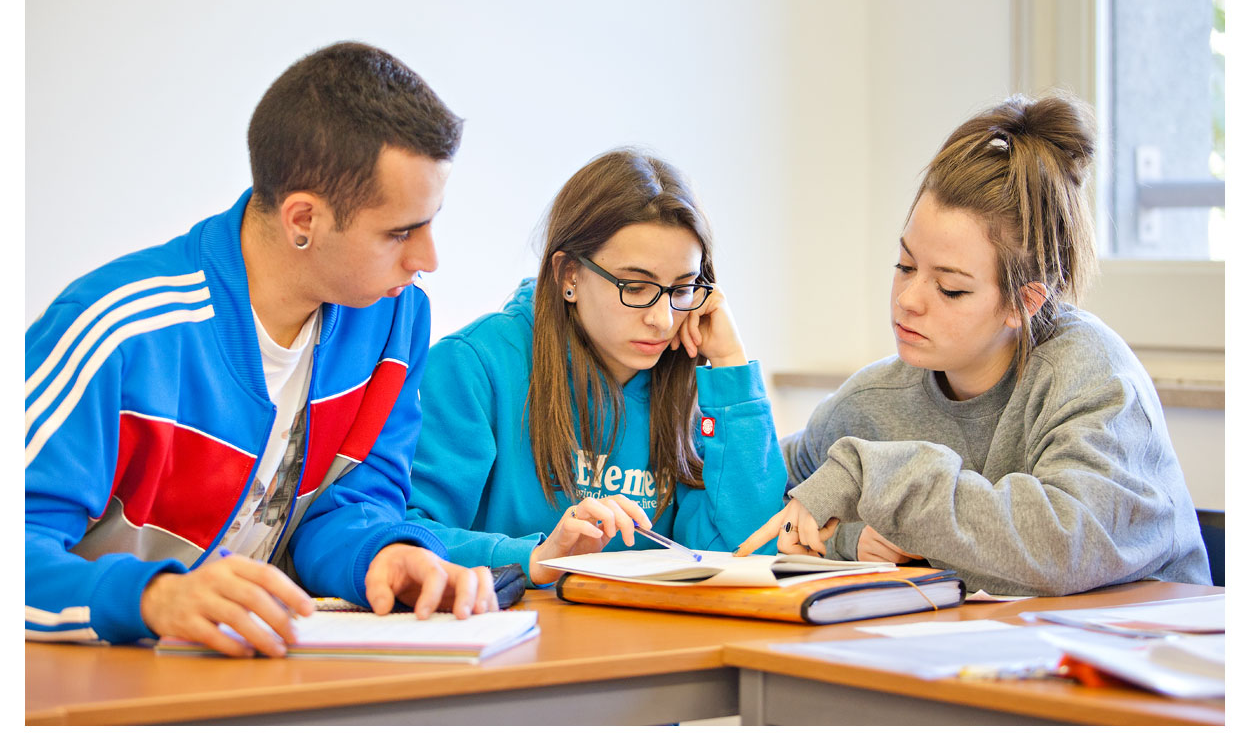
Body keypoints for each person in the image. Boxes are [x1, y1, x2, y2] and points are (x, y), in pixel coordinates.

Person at [25, 42, 498, 658]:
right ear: (303, 219)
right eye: (400, 232)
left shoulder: (394, 318)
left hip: (244, 678)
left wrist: (386, 553)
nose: (427, 260)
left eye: (431, 222)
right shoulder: (119, 330)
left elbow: (352, 501)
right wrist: (153, 598)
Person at [735, 93, 1210, 596]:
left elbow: (1062, 548)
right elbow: (762, 496)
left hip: (1141, 653)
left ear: (1022, 303)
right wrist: (850, 540)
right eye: (904, 266)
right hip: (978, 651)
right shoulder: (872, 401)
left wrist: (879, 478)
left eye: (951, 288)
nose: (909, 300)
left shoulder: (1093, 378)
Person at [405, 149, 786, 585]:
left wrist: (731, 367)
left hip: (646, 640)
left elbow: (748, 549)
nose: (662, 319)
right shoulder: (474, 364)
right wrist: (537, 556)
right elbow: (406, 536)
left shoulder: (687, 379)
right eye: (636, 286)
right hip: (511, 636)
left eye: (682, 289)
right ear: (569, 275)